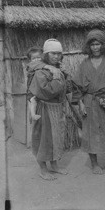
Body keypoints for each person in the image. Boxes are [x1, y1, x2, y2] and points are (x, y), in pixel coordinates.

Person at [73, 29, 105, 175]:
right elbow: (77, 86)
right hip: (89, 102)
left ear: (103, 45)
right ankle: (94, 164)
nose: (95, 47)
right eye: (92, 44)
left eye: (98, 44)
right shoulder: (84, 64)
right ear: (88, 46)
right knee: (91, 134)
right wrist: (81, 103)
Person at [28, 39, 71, 181]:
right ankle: (43, 169)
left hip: (57, 108)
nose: (56, 56)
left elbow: (67, 88)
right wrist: (58, 78)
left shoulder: (58, 69)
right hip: (44, 108)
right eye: (53, 53)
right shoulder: (41, 72)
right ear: (46, 54)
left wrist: (63, 75)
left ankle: (54, 165)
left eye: (59, 53)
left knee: (56, 139)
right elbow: (48, 91)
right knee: (44, 140)